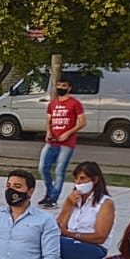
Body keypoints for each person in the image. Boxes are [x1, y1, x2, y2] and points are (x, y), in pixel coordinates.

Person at [43, 160, 116, 259]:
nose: (78, 183)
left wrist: (71, 234)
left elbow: (100, 236)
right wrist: (68, 205)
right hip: (67, 245)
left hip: (93, 249)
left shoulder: (105, 203)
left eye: (82, 179)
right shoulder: (73, 200)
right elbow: (57, 228)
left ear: (94, 180)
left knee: (46, 248)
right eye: (76, 179)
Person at [39, 78, 87, 208]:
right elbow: (49, 120)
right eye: (59, 85)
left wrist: (68, 133)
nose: (61, 87)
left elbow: (82, 122)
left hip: (67, 143)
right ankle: (49, 193)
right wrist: (48, 132)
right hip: (52, 142)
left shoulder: (74, 103)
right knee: (43, 168)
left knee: (59, 171)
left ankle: (53, 198)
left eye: (64, 85)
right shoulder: (53, 103)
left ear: (69, 88)